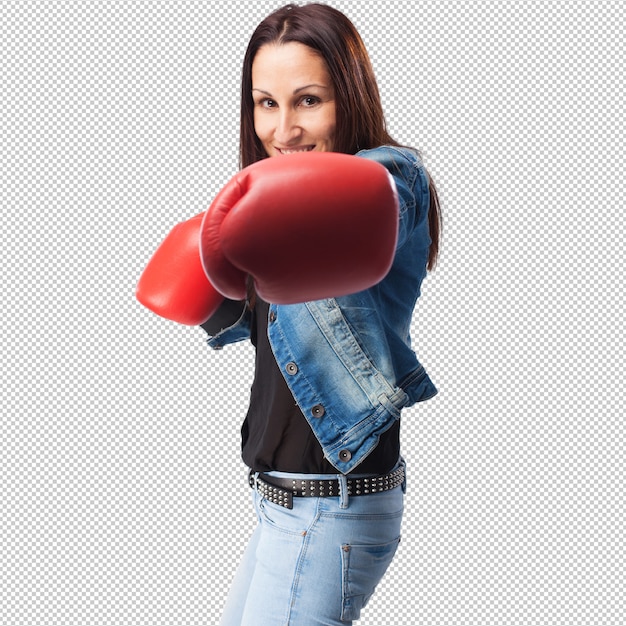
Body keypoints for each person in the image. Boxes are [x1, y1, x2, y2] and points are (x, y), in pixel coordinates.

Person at [136, 3, 441, 624]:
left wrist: (250, 218)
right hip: (279, 506)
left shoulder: (393, 178)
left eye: (307, 101)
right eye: (265, 103)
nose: (284, 130)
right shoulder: (269, 218)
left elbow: (378, 198)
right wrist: (215, 257)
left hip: (331, 509)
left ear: (349, 98)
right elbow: (238, 322)